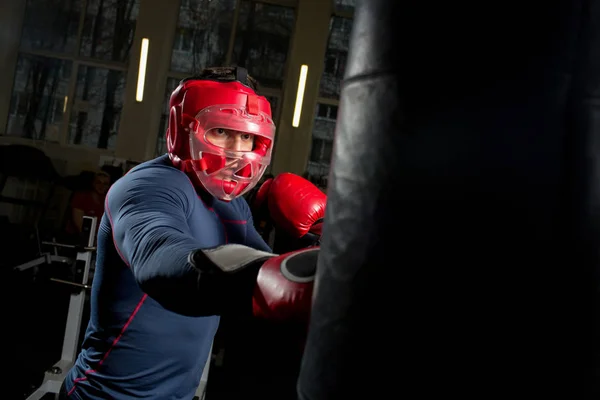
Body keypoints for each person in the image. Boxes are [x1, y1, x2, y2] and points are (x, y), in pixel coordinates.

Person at [59, 66, 326, 400]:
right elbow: (160, 257)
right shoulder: (146, 187)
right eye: (221, 132)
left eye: (248, 138)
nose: (236, 152)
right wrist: (279, 277)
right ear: (181, 128)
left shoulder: (231, 204)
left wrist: (324, 239)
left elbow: (270, 274)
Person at [64, 171, 111, 239]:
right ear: (93, 183)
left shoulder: (107, 200)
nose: (102, 186)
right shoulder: (81, 196)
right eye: (98, 182)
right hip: (78, 237)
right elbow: (80, 227)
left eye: (105, 184)